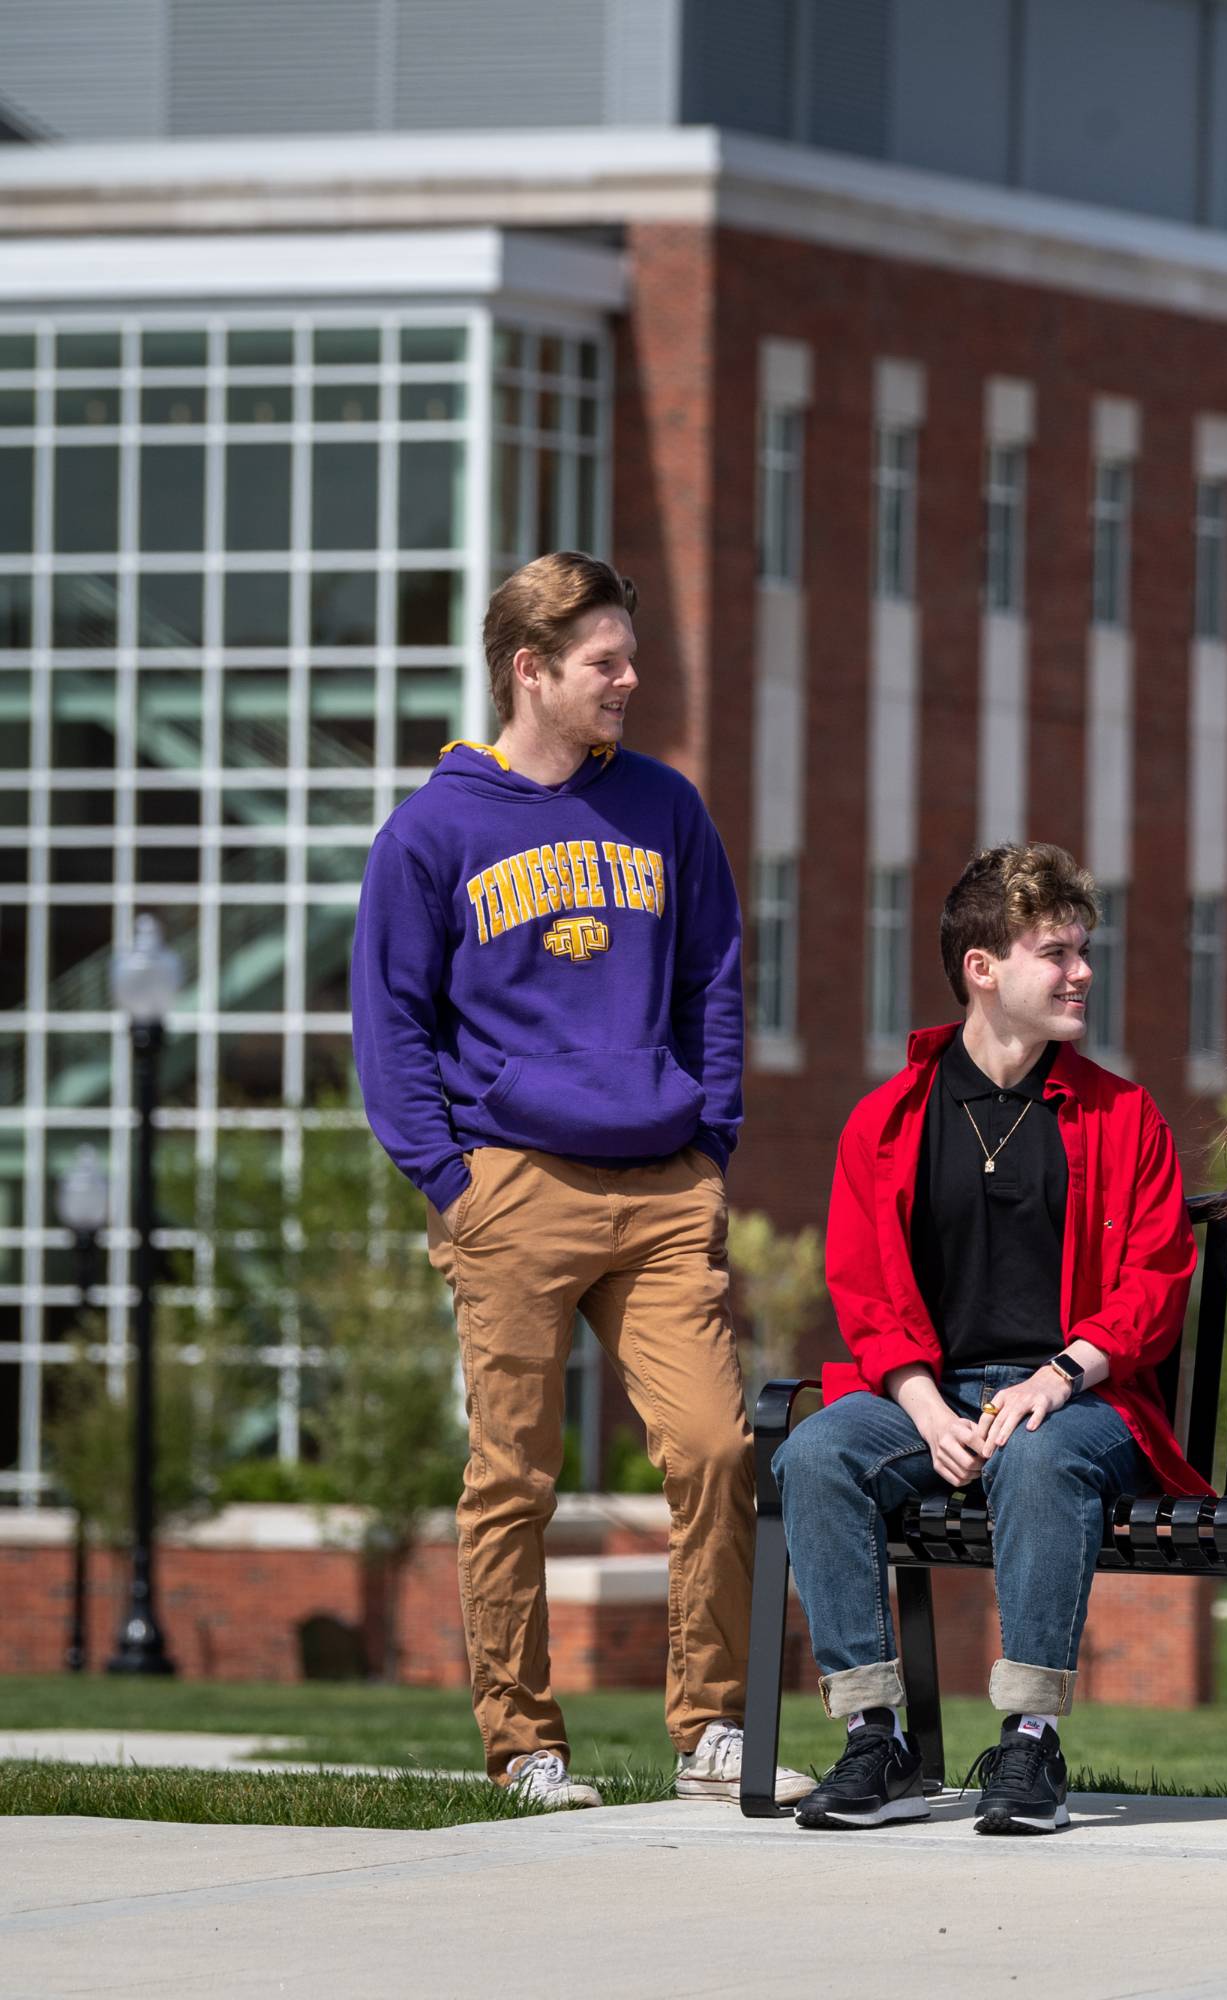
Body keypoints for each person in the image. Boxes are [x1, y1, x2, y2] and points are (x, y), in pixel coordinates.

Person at [354, 550, 805, 1809]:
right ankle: (523, 1742)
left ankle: (710, 1724)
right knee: (514, 1475)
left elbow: (714, 973)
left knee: (716, 1446)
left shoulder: (664, 806)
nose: (628, 678)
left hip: (662, 1184)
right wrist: (452, 1180)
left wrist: (710, 1142)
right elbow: (390, 1026)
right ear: (531, 669)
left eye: (629, 655)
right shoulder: (433, 830)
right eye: (604, 661)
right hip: (513, 1187)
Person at [775, 844, 1212, 1836]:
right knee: (813, 1454)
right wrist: (926, 1407)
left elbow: (1157, 1282)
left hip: (1081, 1405)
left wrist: (1057, 1376)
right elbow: (865, 1292)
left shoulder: (1121, 1115)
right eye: (1055, 951)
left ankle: (1030, 1741)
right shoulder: (886, 1121)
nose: (1081, 972)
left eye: (1082, 949)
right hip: (924, 1396)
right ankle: (873, 1738)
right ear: (982, 967)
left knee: (1040, 1449)